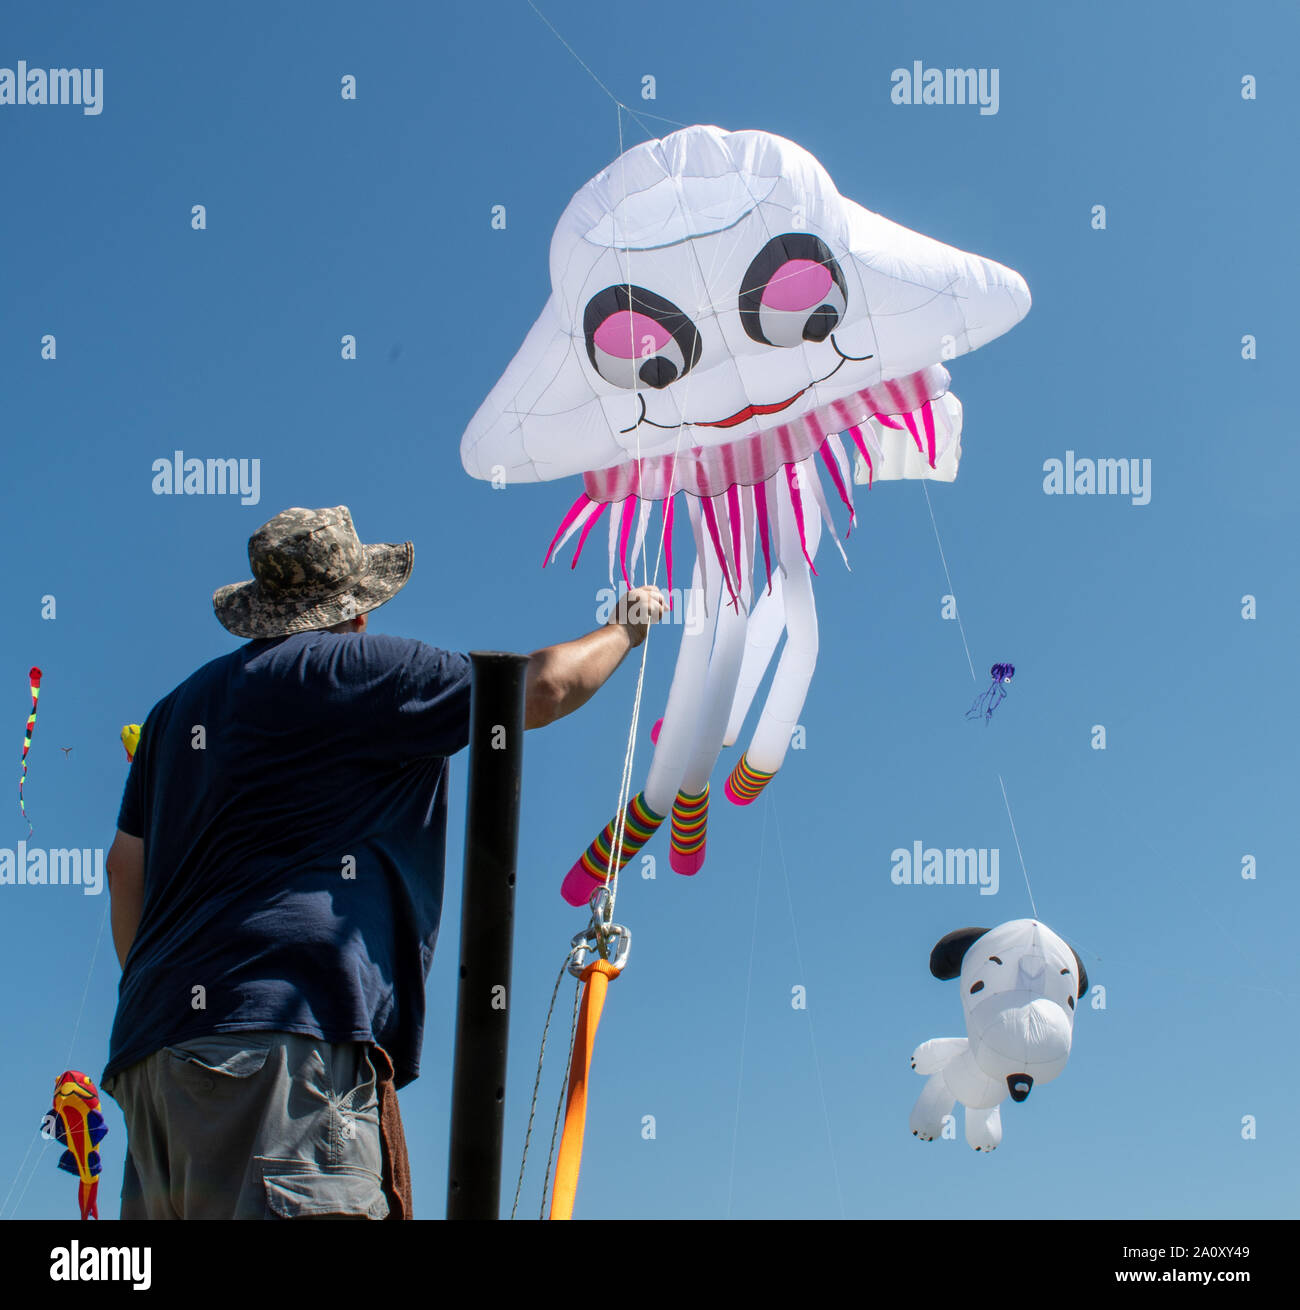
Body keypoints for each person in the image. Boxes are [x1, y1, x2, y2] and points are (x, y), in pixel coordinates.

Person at [102, 504, 664, 1219]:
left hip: (155, 1059)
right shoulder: (352, 671)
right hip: (281, 1041)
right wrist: (627, 627)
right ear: (357, 612)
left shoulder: (175, 713)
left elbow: (125, 868)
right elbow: (541, 688)